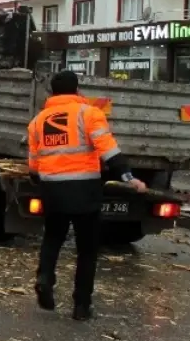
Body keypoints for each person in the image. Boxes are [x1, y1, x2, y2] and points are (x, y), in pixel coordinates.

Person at [27, 70, 147, 321]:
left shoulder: (38, 121)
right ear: (77, 89)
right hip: (85, 191)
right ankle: (81, 306)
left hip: (53, 190)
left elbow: (34, 167)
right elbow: (108, 150)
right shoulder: (89, 114)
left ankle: (45, 277)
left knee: (52, 238)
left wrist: (44, 182)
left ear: (52, 92)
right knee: (87, 249)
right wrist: (128, 177)